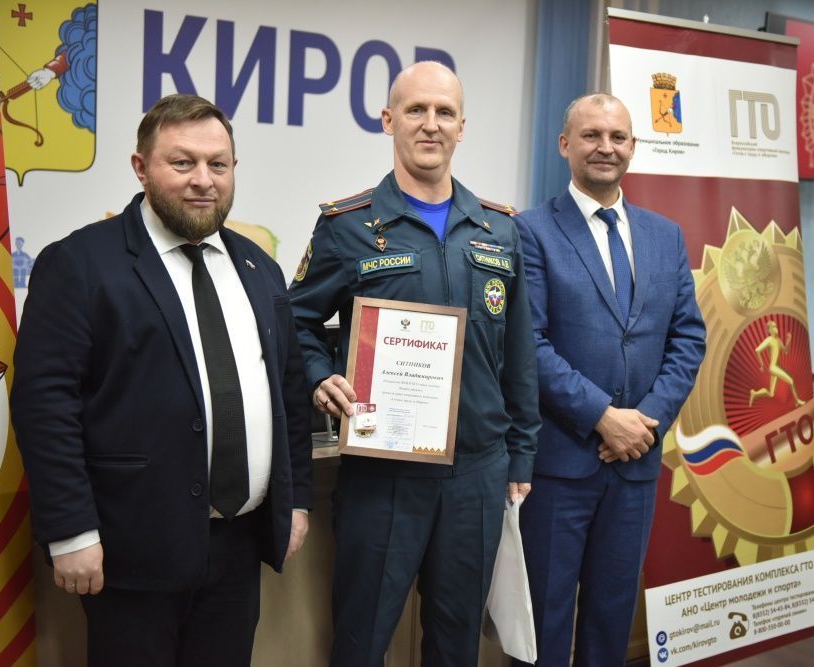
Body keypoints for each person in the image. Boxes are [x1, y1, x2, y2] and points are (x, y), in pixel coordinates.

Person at [11, 94, 313, 666]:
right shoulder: (79, 264)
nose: (203, 180)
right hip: (130, 549)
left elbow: (288, 394)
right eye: (182, 163)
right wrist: (71, 531)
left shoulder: (259, 268)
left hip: (238, 545)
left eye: (217, 164)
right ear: (141, 167)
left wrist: (296, 501)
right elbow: (44, 406)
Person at [288, 61, 540, 666]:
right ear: (388, 120)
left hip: (477, 474)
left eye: (444, 112)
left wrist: (522, 453)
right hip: (383, 475)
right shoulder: (347, 227)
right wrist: (320, 376)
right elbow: (293, 322)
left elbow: (519, 352)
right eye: (416, 110)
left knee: (457, 645)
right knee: (361, 640)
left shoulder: (499, 230)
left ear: (462, 127)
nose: (431, 124)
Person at [513, 93, 706, 666]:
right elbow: (528, 344)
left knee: (612, 616)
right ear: (564, 145)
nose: (606, 147)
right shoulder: (530, 231)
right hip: (558, 467)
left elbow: (688, 338)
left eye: (618, 137)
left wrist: (644, 423)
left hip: (635, 465)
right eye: (592, 135)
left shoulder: (665, 235)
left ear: (633, 147)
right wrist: (602, 416)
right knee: (543, 620)